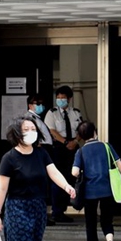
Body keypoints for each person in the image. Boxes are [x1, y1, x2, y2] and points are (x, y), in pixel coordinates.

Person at [71, 121, 121, 241]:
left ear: (81, 136)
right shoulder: (106, 146)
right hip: (107, 190)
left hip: (89, 192)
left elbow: (74, 172)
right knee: (107, 219)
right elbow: (119, 164)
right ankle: (109, 240)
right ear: (95, 132)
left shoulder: (81, 152)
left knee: (90, 223)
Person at [44, 85, 82, 223]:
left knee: (70, 178)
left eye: (63, 98)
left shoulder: (76, 113)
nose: (60, 100)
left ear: (69, 99)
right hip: (59, 148)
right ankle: (56, 211)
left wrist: (75, 142)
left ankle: (63, 210)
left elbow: (81, 130)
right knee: (58, 179)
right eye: (58, 98)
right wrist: (66, 142)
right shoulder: (52, 113)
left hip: (73, 147)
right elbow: (51, 130)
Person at [25, 94, 56, 226]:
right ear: (30, 105)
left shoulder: (37, 118)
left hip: (43, 151)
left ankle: (41, 215)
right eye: (37, 103)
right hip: (37, 152)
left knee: (43, 185)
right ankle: (38, 216)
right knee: (38, 185)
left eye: (41, 103)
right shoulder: (29, 119)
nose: (40, 106)